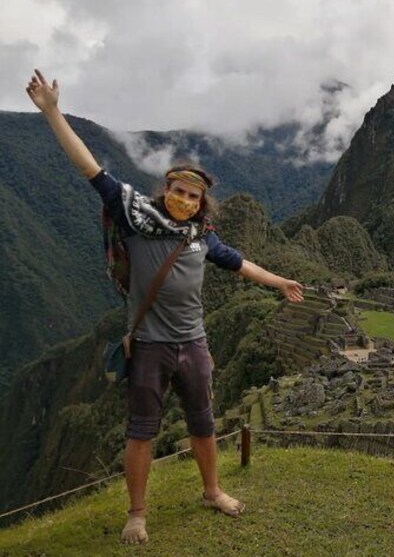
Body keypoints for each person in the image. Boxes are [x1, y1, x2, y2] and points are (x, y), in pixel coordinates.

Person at [26, 69, 305, 545]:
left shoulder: (201, 239)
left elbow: (242, 264)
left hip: (193, 344)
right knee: (142, 432)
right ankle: (137, 513)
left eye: (193, 197)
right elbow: (89, 168)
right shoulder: (136, 217)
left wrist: (280, 283)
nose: (183, 200)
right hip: (151, 346)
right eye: (178, 191)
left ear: (201, 205)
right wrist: (53, 112)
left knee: (203, 422)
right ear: (166, 190)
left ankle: (212, 491)